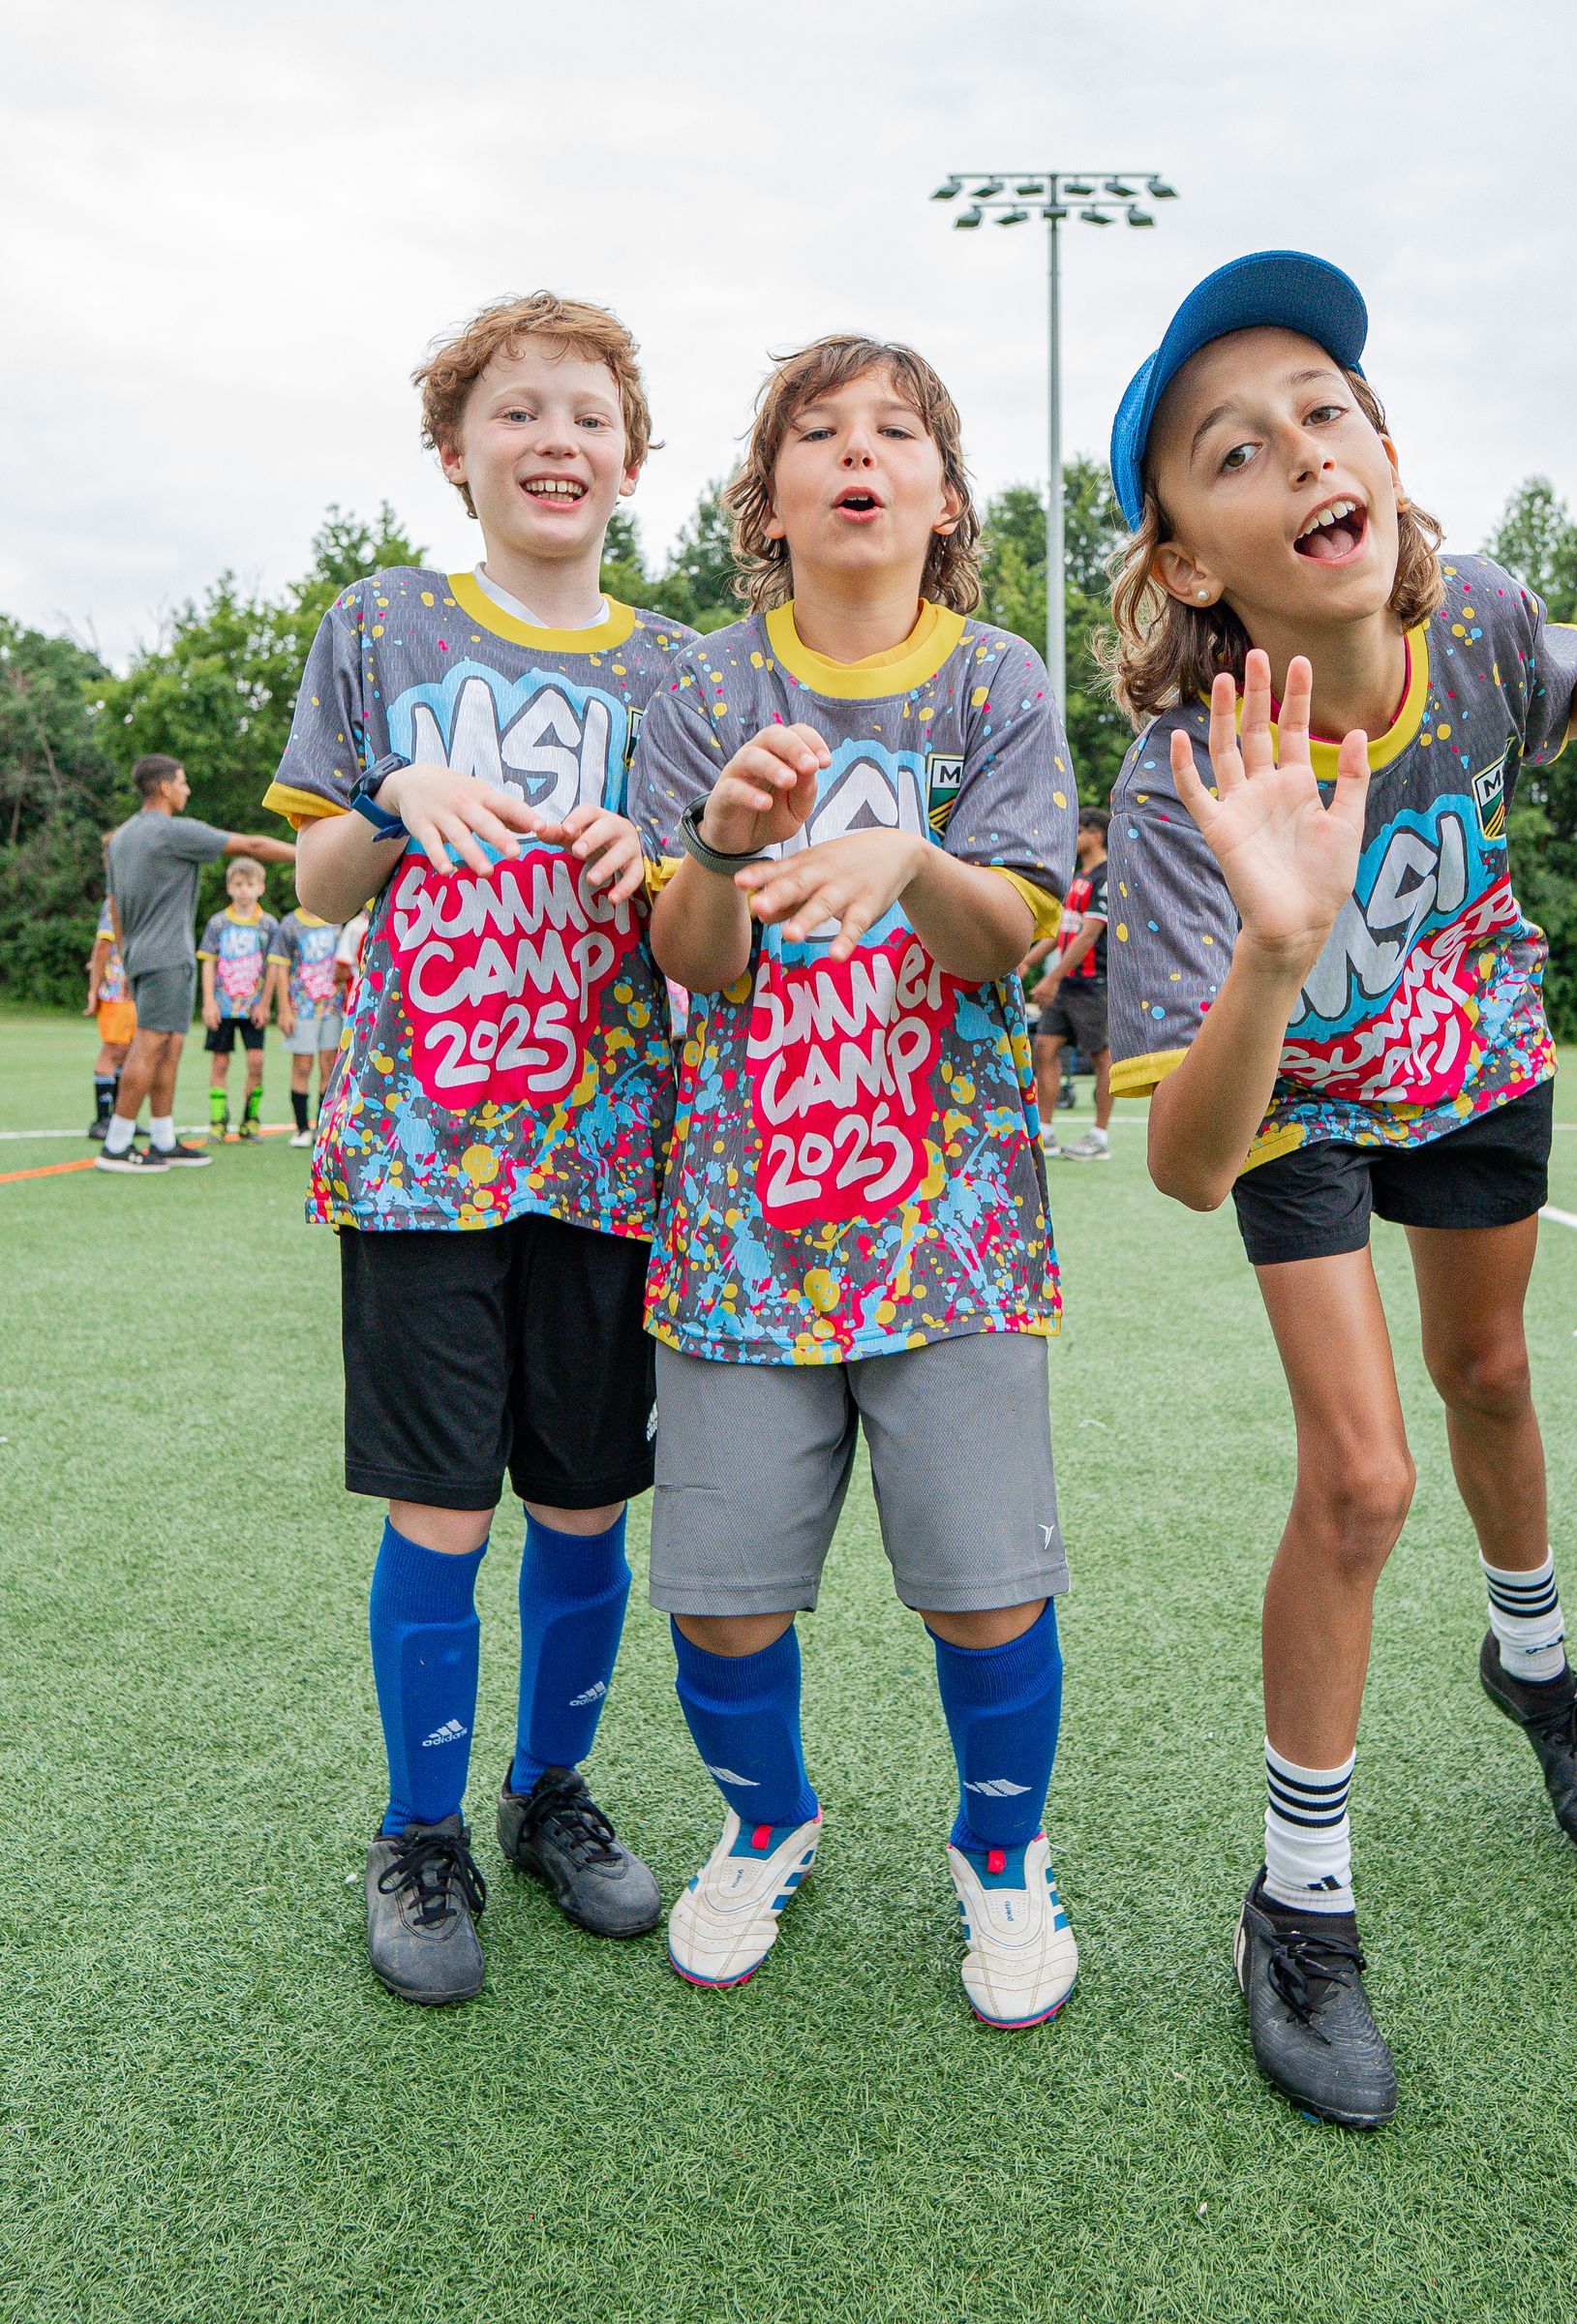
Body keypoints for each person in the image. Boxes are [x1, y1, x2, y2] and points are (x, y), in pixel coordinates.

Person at [1103, 253, 1577, 2126]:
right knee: (1360, 1476)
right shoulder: (1176, 791)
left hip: (1474, 1060)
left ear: (1383, 453)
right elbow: (1187, 1167)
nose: (1300, 448)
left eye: (1326, 411)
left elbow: (1576, 698)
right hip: (1290, 1099)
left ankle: (1531, 1669)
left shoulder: (1485, 630)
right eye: (1236, 447)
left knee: (1496, 1385)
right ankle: (1295, 1906)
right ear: (1196, 560)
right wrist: (1276, 948)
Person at [635, 334, 1079, 2031]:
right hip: (741, 1223)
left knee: (985, 1584)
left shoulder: (1001, 683)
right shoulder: (695, 690)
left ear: (945, 499)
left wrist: (910, 858)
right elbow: (694, 960)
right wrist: (723, 852)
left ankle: (1004, 1857)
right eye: (815, 434)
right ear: (769, 503)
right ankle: (769, 1822)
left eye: (893, 432)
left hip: (950, 1225)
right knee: (727, 1598)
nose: (855, 454)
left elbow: (1012, 936)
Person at [269, 291, 696, 2006]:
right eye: (517, 411)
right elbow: (311, 883)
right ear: (456, 455)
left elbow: (706, 923)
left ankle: (550, 1794)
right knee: (441, 1506)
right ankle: (420, 1828)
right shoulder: (381, 629)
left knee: (586, 1502)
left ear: (631, 459)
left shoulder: (681, 673)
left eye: (588, 413)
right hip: (421, 1147)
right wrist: (392, 810)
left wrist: (653, 868)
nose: (555, 440)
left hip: (608, 1154)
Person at [98, 755, 294, 1173]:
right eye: (183, 783)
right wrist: (310, 854)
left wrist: (129, 955)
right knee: (149, 1046)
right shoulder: (172, 832)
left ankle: (164, 1139)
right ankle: (117, 1145)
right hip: (168, 957)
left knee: (170, 1045)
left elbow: (114, 907)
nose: (187, 790)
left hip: (142, 955)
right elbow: (253, 846)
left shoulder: (121, 838)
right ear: (165, 788)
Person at [1022, 805, 1115, 1160]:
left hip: (1094, 982)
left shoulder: (1106, 877)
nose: (1073, 836)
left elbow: (1090, 934)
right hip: (1067, 984)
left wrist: (1051, 978)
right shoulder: (1078, 877)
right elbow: (1062, 929)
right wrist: (1027, 961)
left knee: (1101, 1056)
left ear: (1096, 834)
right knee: (1044, 1048)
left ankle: (1099, 1136)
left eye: (1079, 830)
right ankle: (1045, 1132)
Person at [197, 859, 278, 1141]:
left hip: (253, 1006)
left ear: (261, 888)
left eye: (250, 885)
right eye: (238, 885)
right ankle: (218, 1120)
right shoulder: (218, 923)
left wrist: (265, 1002)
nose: (244, 891)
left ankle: (250, 1118)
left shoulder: (268, 925)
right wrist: (208, 1001)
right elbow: (208, 962)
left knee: (256, 1062)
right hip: (223, 1005)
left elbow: (274, 966)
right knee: (220, 1063)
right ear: (229, 888)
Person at [264, 904, 345, 1146]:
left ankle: (323, 1127)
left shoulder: (337, 919)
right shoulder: (290, 925)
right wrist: (285, 1010)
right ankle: (302, 1128)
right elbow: (280, 968)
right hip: (302, 1007)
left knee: (329, 1065)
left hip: (332, 1006)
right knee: (303, 1065)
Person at [83, 876, 136, 1139]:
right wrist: (94, 990)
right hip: (118, 987)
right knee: (113, 1049)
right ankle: (102, 1120)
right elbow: (103, 945)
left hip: (135, 989)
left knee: (129, 1053)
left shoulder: (140, 895)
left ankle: (120, 1117)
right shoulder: (115, 901)